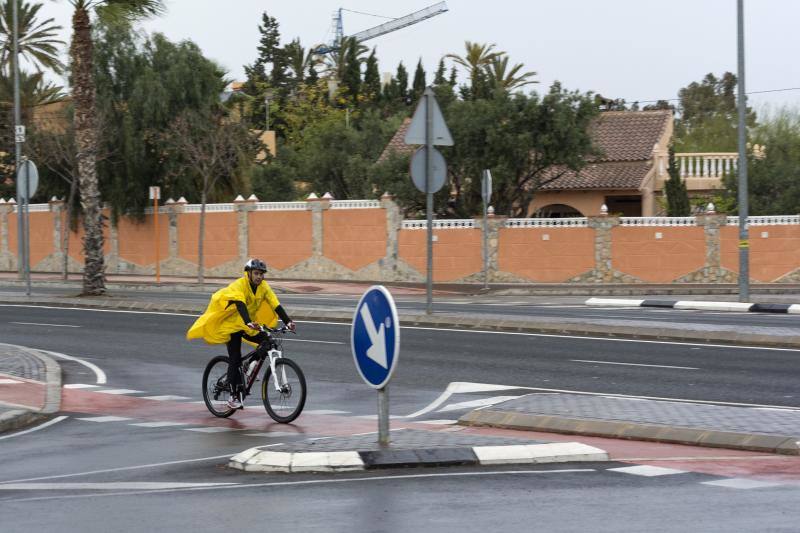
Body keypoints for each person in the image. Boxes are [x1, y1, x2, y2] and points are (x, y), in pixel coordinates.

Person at [187, 258, 295, 409]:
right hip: (233, 326)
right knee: (235, 358)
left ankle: (249, 365)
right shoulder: (240, 285)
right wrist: (248, 321)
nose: (259, 276)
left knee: (269, 342)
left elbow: (275, 304)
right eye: (256, 273)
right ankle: (233, 396)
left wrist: (288, 321)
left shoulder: (264, 287)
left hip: (248, 325)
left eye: (261, 274)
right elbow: (240, 304)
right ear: (248, 273)